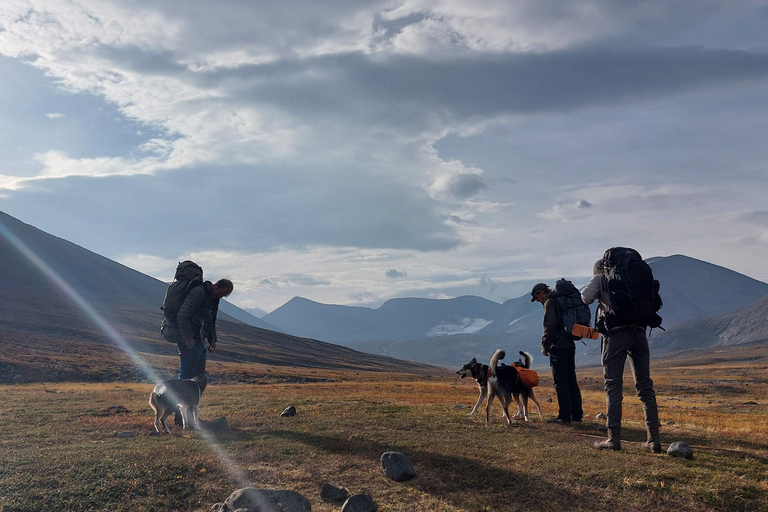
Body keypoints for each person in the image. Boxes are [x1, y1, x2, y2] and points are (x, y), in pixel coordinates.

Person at [581, 260, 661, 452]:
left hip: (616, 335)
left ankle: (613, 439)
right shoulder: (634, 279)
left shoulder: (601, 277)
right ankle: (654, 440)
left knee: (613, 385)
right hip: (640, 334)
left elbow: (585, 297)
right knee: (645, 386)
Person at [530, 283, 583, 424]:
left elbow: (550, 325)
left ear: (541, 292)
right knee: (571, 380)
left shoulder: (550, 303)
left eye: (536, 297)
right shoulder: (560, 301)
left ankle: (564, 416)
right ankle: (577, 415)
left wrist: (545, 345)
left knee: (560, 382)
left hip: (558, 346)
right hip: (569, 344)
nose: (537, 301)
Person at [176, 278, 234, 379]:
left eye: (222, 296)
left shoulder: (213, 298)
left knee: (198, 375)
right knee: (187, 374)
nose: (219, 297)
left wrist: (212, 340)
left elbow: (211, 320)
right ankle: (180, 393)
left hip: (199, 339)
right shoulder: (199, 293)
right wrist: (187, 338)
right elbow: (182, 315)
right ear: (216, 285)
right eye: (220, 293)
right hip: (188, 338)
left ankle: (192, 394)